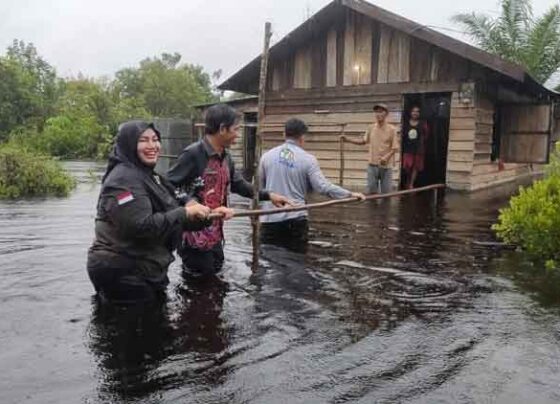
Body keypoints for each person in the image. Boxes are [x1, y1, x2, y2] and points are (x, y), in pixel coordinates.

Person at [87, 121, 233, 304]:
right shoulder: (122, 180)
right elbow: (140, 227)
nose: (152, 146)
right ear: (129, 144)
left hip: (145, 267)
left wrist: (210, 215)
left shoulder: (150, 176)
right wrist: (184, 213)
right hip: (124, 271)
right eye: (144, 140)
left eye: (155, 139)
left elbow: (175, 214)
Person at [167, 104, 291, 277]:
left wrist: (269, 195)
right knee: (198, 287)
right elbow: (167, 184)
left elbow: (239, 185)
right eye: (236, 129)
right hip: (194, 238)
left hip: (216, 234)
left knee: (216, 284)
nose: (238, 135)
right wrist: (189, 202)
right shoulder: (193, 154)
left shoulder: (226, 157)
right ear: (222, 129)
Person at [258, 118, 365, 251]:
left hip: (269, 220)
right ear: (303, 137)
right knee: (296, 264)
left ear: (284, 135)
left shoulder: (266, 156)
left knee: (269, 262)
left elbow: (260, 190)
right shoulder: (308, 159)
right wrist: (349, 194)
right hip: (295, 219)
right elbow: (322, 187)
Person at [341, 103, 399, 194]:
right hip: (372, 165)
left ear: (386, 114)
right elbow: (363, 141)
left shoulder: (392, 129)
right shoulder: (371, 127)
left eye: (381, 112)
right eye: (376, 112)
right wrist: (347, 139)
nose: (378, 114)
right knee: (371, 193)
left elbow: (395, 148)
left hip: (386, 166)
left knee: (386, 194)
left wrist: (386, 157)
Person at [402, 105, 429, 189]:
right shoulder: (406, 123)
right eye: (414, 111)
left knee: (415, 167)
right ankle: (407, 180)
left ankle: (411, 184)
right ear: (411, 113)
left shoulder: (423, 123)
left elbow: (426, 135)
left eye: (417, 111)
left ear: (419, 114)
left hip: (418, 149)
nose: (415, 113)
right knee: (407, 167)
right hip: (408, 148)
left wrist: (421, 143)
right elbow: (402, 134)